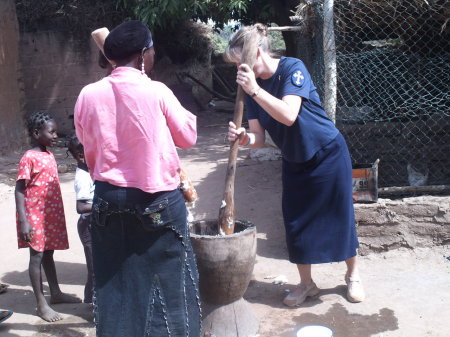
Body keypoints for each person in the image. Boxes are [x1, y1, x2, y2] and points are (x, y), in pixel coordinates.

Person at [74, 21, 201, 336]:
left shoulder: (88, 94)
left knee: (115, 284)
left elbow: (85, 142)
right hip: (158, 204)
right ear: (144, 54)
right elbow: (187, 137)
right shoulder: (157, 91)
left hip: (106, 199)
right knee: (171, 283)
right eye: (152, 49)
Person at [225, 23, 365, 306]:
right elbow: (260, 138)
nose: (239, 68)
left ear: (258, 55)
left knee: (340, 215)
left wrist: (254, 91)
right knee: (296, 222)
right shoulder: (252, 90)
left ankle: (352, 276)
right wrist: (243, 138)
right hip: (294, 158)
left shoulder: (292, 68)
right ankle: (306, 284)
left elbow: (289, 115)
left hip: (328, 153)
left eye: (241, 61)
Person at [15, 112, 81, 322]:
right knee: (37, 257)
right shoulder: (29, 157)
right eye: (50, 132)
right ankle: (41, 304)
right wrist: (24, 221)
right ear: (36, 133)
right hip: (34, 215)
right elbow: (19, 189)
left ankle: (56, 293)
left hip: (49, 215)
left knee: (48, 253)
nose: (55, 135)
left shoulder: (48, 155)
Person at [67, 135, 95, 304]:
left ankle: (91, 299)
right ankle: (92, 302)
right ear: (80, 155)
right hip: (88, 226)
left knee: (97, 264)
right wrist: (104, 204)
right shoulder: (83, 178)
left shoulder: (89, 172)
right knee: (94, 268)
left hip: (94, 225)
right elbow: (81, 207)